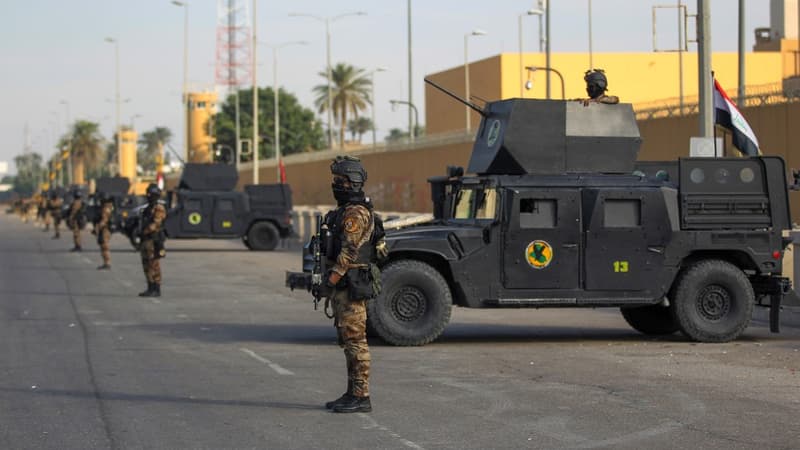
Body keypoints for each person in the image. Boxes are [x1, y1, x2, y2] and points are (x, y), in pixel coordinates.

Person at [321, 155, 384, 414]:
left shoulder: (356, 213)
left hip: (351, 284)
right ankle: (352, 393)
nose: (336, 184)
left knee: (356, 341)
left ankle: (361, 396)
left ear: (352, 182)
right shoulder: (345, 211)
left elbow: (348, 252)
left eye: (340, 180)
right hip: (345, 284)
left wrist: (331, 280)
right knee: (347, 340)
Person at [138, 183, 167, 297]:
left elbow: (156, 223)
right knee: (146, 264)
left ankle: (156, 288)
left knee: (154, 264)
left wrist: (144, 231)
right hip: (146, 240)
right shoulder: (147, 209)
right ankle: (150, 287)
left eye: (150, 194)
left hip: (154, 240)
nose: (148, 196)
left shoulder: (159, 208)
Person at [94, 192, 114, 270]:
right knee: (103, 245)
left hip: (105, 229)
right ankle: (105, 262)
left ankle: (107, 263)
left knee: (104, 246)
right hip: (105, 229)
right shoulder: (108, 207)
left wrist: (97, 228)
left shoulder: (106, 208)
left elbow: (104, 220)